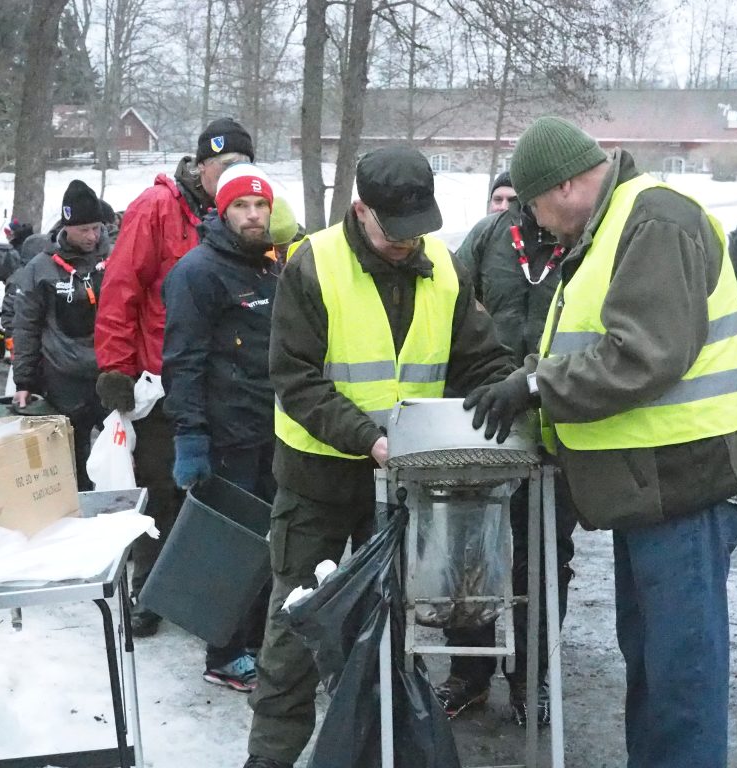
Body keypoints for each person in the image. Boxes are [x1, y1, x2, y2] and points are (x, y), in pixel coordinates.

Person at [465, 116, 737, 767]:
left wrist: (536, 388)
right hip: (653, 490)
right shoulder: (611, 230)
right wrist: (530, 387)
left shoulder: (654, 220)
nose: (537, 223)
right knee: (655, 669)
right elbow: (597, 346)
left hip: (687, 484)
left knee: (680, 677)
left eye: (537, 205)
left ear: (569, 183)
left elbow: (642, 355)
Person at [243, 146, 514, 768]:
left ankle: (365, 754)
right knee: (292, 640)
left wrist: (509, 391)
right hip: (318, 486)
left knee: (384, 644)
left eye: (419, 228)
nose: (408, 244)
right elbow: (296, 378)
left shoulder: (444, 268)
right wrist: (369, 438)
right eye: (396, 231)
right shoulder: (314, 264)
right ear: (361, 210)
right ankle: (269, 761)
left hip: (400, 493)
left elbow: (479, 357)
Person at [94, 117, 254, 637]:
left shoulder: (242, 215)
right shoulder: (156, 208)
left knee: (209, 489)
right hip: (159, 377)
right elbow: (121, 290)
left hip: (221, 380)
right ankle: (149, 590)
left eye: (242, 167)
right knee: (162, 486)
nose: (233, 175)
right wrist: (116, 367)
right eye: (225, 166)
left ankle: (201, 589)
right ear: (202, 165)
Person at [435, 195, 578, 725]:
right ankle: (467, 674)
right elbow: (453, 309)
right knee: (468, 547)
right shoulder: (488, 239)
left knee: (543, 557)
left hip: (552, 418)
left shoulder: (579, 238)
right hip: (484, 416)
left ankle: (529, 677)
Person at [162, 163, 281, 692]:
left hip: (272, 430)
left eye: (260, 206)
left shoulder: (270, 268)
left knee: (267, 544)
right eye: (241, 206)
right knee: (229, 549)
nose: (253, 215)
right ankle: (223, 650)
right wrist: (190, 436)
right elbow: (182, 360)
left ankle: (254, 640)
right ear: (222, 210)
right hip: (224, 433)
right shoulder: (197, 272)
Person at [11, 180, 110, 491]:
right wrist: (24, 381)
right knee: (73, 459)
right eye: (84, 230)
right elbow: (26, 326)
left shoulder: (116, 259)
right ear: (67, 227)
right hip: (64, 379)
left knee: (124, 451)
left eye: (97, 228)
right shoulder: (41, 269)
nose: (92, 236)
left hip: (111, 373)